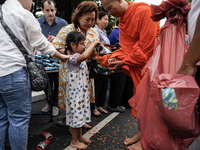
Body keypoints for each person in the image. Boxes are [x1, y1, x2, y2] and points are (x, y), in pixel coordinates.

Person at [0, 0, 70, 149]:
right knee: (18, 120)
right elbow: (41, 43)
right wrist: (61, 55)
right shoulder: (22, 14)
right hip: (14, 72)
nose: (32, 2)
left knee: (1, 119)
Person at [101, 0, 160, 149]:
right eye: (106, 10)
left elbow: (146, 47)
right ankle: (140, 134)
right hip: (139, 67)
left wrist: (123, 62)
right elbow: (128, 48)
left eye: (109, 8)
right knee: (141, 104)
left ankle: (146, 142)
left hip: (152, 67)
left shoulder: (144, 11)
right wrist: (112, 59)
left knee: (149, 105)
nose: (109, 13)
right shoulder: (122, 19)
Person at [52, 1, 99, 129]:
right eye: (87, 19)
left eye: (93, 20)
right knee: (72, 99)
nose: (90, 23)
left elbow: (94, 53)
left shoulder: (93, 32)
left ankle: (81, 122)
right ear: (78, 17)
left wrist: (94, 54)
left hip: (85, 72)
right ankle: (73, 126)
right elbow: (54, 47)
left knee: (83, 96)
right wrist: (71, 55)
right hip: (71, 71)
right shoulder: (67, 30)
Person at [63, 31, 100, 149]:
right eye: (81, 44)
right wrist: (93, 43)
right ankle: (74, 141)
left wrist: (95, 49)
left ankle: (79, 136)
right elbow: (84, 56)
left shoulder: (80, 57)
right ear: (73, 45)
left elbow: (88, 56)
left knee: (80, 115)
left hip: (81, 93)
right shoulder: (73, 58)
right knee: (76, 116)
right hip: (75, 95)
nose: (84, 46)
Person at [37, 0, 68, 116]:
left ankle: (55, 104)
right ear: (42, 11)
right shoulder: (37, 22)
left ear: (56, 10)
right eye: (47, 10)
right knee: (45, 82)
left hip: (57, 58)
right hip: (42, 59)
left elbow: (69, 41)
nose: (50, 13)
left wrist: (57, 40)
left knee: (57, 81)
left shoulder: (63, 23)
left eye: (52, 10)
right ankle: (49, 102)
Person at [107, 19, 132, 112]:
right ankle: (113, 105)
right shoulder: (118, 33)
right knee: (117, 86)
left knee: (117, 86)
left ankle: (116, 103)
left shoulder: (115, 32)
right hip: (118, 64)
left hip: (118, 64)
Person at [93, 11, 109, 114]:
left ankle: (100, 105)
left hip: (105, 62)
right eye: (105, 19)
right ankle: (94, 106)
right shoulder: (95, 31)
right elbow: (96, 46)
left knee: (104, 85)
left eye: (107, 19)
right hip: (98, 62)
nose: (107, 22)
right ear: (98, 20)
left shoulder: (104, 32)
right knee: (97, 85)